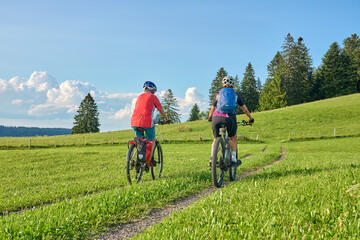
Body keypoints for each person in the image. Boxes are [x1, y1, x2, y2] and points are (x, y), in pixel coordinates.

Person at [208, 76, 254, 167]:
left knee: (216, 138)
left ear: (223, 84)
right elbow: (244, 109)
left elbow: (212, 109)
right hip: (230, 118)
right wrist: (250, 118)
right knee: (232, 138)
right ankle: (233, 159)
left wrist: (210, 118)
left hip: (216, 117)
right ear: (233, 85)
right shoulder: (236, 95)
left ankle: (212, 157)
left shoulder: (218, 95)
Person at [131, 81, 169, 163]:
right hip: (147, 122)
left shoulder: (139, 97)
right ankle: (149, 160)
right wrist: (167, 119)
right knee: (151, 140)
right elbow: (160, 110)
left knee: (140, 141)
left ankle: (139, 159)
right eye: (154, 91)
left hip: (134, 122)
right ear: (152, 90)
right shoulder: (153, 97)